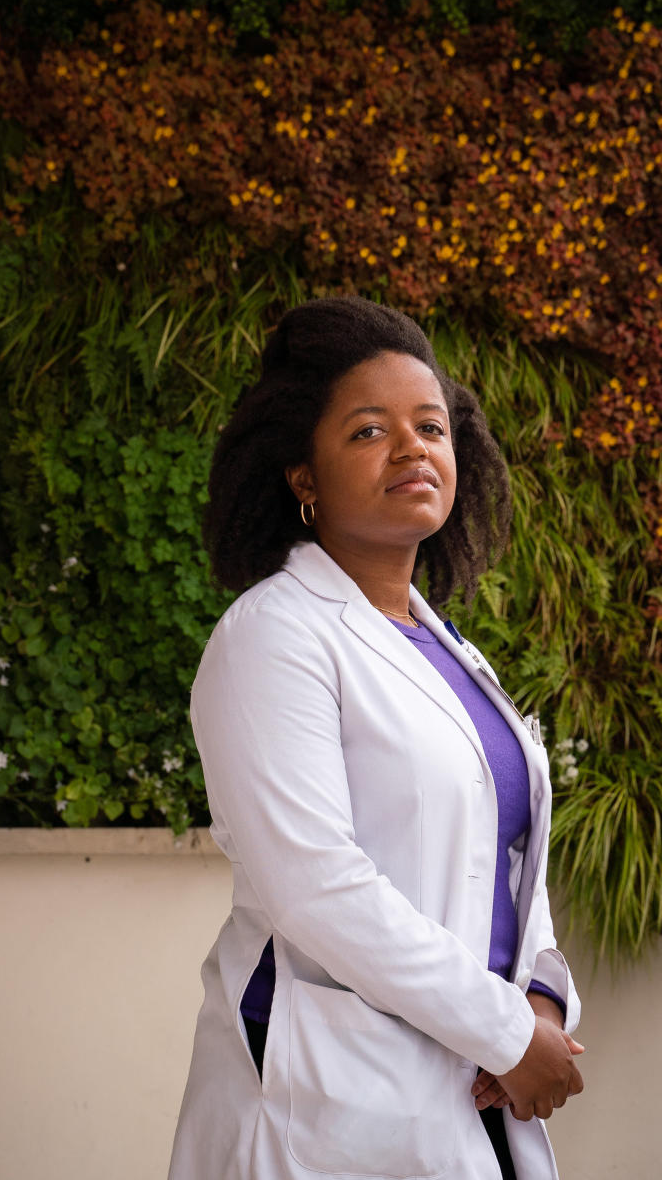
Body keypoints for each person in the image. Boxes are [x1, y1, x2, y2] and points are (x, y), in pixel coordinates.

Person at [168, 296, 583, 1180]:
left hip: (471, 1091)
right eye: (367, 431)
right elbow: (318, 884)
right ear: (302, 475)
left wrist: (542, 993)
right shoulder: (273, 635)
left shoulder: (449, 651)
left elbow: (504, 858)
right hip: (328, 1104)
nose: (412, 447)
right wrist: (505, 1030)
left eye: (429, 425)